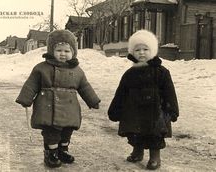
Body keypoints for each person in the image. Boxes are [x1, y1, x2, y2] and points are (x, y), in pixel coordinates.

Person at [16, 29, 101, 168]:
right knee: (52, 132)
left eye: (67, 51)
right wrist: (26, 98)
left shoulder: (77, 71)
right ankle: (51, 153)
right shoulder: (41, 68)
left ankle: (63, 150)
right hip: (48, 107)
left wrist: (93, 100)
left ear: (73, 52)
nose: (63, 54)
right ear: (51, 51)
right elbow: (32, 83)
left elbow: (84, 86)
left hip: (69, 108)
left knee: (67, 131)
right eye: (59, 50)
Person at [108, 30, 179, 170]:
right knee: (135, 132)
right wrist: (115, 109)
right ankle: (137, 151)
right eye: (137, 50)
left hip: (155, 111)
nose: (141, 53)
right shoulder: (130, 73)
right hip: (134, 110)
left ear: (152, 51)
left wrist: (172, 109)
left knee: (155, 135)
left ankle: (154, 157)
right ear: (132, 52)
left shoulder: (162, 72)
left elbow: (169, 92)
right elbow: (121, 92)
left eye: (145, 49)